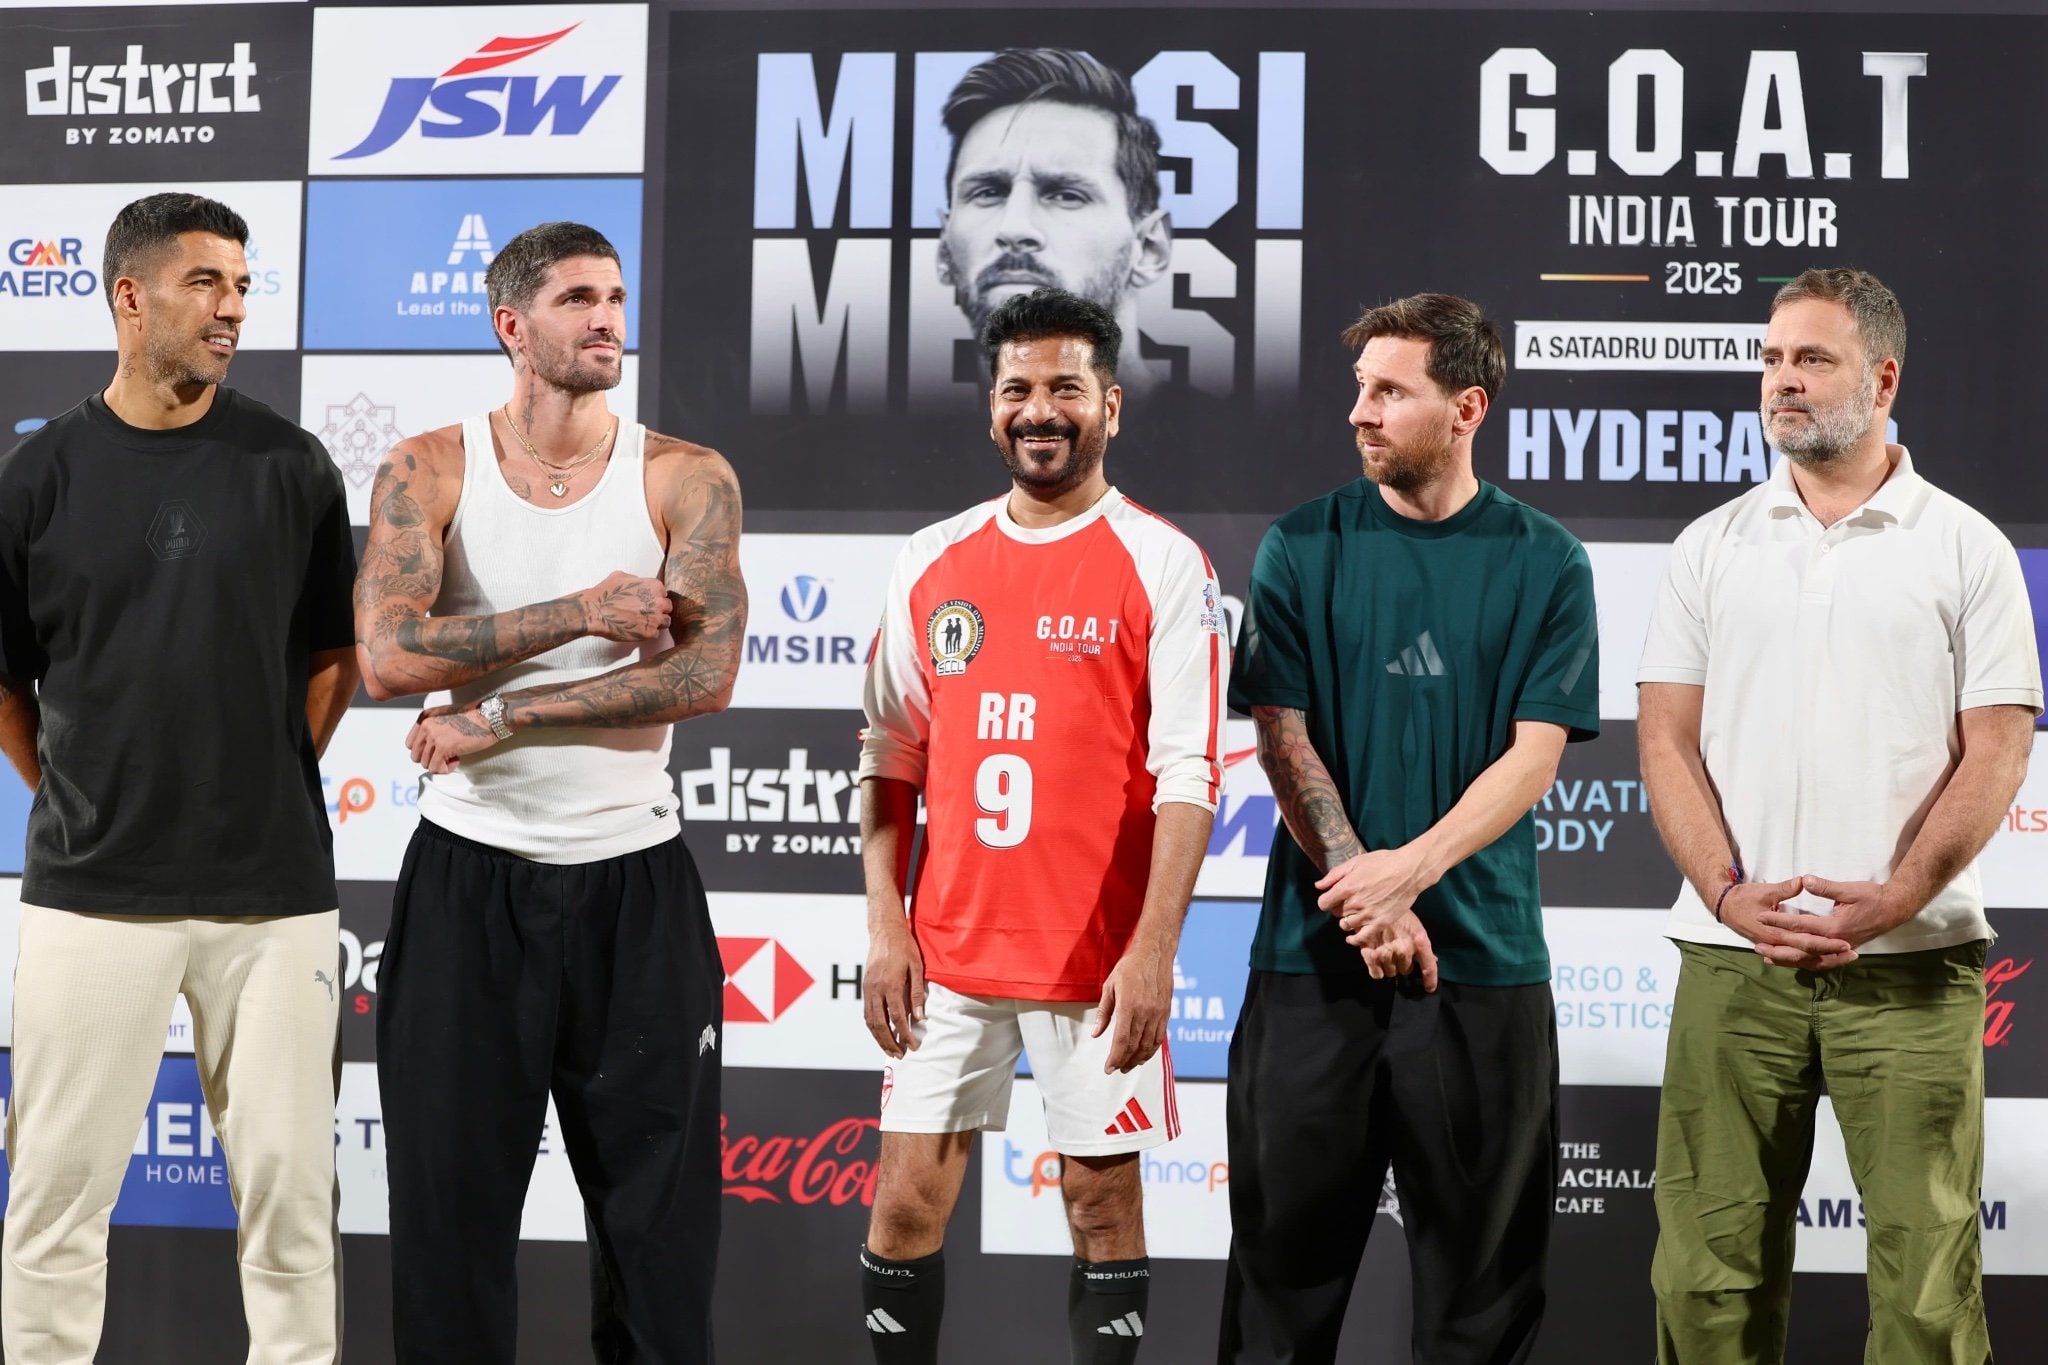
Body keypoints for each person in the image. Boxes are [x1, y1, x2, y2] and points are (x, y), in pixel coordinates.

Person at [354, 221, 744, 1365]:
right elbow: (387, 659)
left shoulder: (684, 475)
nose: (607, 318)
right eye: (577, 298)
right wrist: (579, 613)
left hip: (635, 885)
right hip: (468, 886)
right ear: (511, 325)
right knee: (448, 1225)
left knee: (658, 1239)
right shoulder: (425, 469)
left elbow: (701, 674)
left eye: (615, 296)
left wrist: (503, 715)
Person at [1638, 268, 2038, 1365]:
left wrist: (1898, 896)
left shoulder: (1964, 547)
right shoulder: (1709, 545)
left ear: (1880, 377)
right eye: (1769, 360)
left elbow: (1997, 745)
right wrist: (1725, 892)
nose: (1780, 382)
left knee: (1923, 1287)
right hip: (1732, 961)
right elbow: (1664, 738)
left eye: (1808, 359)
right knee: (1703, 1279)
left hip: (1910, 966)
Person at [0, 192, 357, 1364]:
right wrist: (75, 796)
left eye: (244, 287)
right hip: (90, 893)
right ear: (131, 294)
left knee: (294, 1214)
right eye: (207, 283)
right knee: (54, 1211)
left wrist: (256, 777)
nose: (234, 309)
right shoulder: (35, 476)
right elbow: (7, 681)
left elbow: (330, 659)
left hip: (274, 896)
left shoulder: (292, 464)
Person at [1219, 293, 1599, 1364]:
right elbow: (1281, 741)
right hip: (1310, 964)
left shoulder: (1547, 561)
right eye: (1358, 388)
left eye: (1389, 391)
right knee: (1275, 1297)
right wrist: (1362, 892)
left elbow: (1531, 757)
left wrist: (1407, 876)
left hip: (1480, 970)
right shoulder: (1300, 545)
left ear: (1465, 406)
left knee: (1479, 1307)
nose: (1358, 412)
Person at [857, 286, 1226, 1364]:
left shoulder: (1162, 563)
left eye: (1065, 387)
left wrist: (1153, 950)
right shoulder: (930, 560)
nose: (1039, 410)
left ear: (1108, 404)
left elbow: (1189, 774)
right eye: (1016, 389)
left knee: (1100, 1213)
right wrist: (887, 928)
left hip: (1096, 962)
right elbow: (890, 752)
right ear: (990, 411)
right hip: (948, 958)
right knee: (905, 1208)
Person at [936, 49, 1172, 399]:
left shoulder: (1240, 441)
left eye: (1066, 195)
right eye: (988, 192)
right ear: (944, 250)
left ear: (1149, 248)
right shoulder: (889, 441)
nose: (1013, 228)